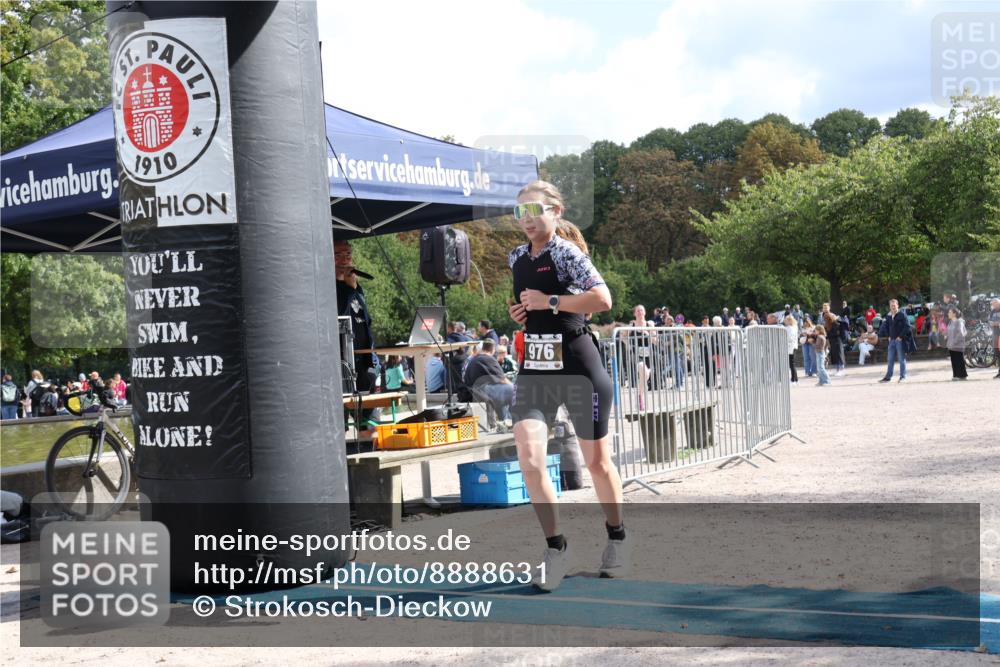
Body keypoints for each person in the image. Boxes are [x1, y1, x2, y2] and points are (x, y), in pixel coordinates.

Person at [507, 179, 626, 591]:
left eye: (534, 209)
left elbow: (602, 299)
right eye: (519, 211)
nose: (526, 219)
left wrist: (551, 302)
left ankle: (617, 535)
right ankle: (556, 547)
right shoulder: (515, 258)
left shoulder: (567, 253)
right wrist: (521, 312)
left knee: (597, 464)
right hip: (536, 371)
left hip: (578, 366)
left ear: (555, 212)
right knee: (531, 460)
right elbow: (529, 304)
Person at [334, 239, 382, 440]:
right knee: (340, 428)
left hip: (364, 362)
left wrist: (354, 289)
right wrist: (349, 289)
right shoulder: (330, 286)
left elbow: (366, 320)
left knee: (370, 426)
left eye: (349, 254)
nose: (346, 260)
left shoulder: (354, 285)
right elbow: (338, 316)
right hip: (342, 365)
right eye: (339, 255)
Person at [464, 339, 514, 431]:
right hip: (483, 391)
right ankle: (509, 422)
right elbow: (503, 379)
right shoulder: (488, 359)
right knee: (514, 390)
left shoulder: (474, 359)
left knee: (502, 394)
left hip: (472, 392)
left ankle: (504, 422)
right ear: (493, 349)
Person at [879, 299, 910, 383]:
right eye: (891, 305)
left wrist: (900, 336)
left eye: (894, 305)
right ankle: (888, 377)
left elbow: (907, 326)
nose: (892, 307)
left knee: (901, 359)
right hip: (891, 340)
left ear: (897, 305)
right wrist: (888, 336)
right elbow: (886, 327)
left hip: (899, 340)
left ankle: (903, 377)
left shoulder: (902, 315)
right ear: (889, 306)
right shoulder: (888, 316)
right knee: (890, 359)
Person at [945, 308, 968, 381]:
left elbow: (961, 333)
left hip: (958, 345)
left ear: (954, 314)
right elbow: (948, 331)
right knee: (954, 361)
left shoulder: (959, 322)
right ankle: (956, 375)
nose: (948, 314)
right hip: (951, 345)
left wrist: (954, 341)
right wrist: (946, 335)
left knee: (959, 360)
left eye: (949, 312)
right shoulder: (950, 322)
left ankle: (962, 375)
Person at [784, 315, 799, 385]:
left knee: (792, 364)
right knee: (792, 364)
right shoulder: (794, 327)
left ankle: (793, 380)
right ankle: (795, 379)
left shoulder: (790, 328)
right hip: (793, 346)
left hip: (790, 347)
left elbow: (790, 337)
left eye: (786, 320)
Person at [990, 298, 1000, 379]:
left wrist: (997, 323)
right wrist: (992, 323)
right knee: (997, 353)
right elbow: (989, 321)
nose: (993, 306)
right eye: (992, 304)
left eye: (995, 304)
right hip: (995, 334)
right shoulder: (993, 311)